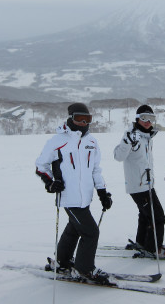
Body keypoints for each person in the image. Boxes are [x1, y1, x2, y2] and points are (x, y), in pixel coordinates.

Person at [35, 102, 113, 283]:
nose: (84, 122)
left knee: (74, 229)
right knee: (90, 232)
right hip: (68, 197)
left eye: (87, 119)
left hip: (85, 197)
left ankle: (62, 262)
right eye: (79, 118)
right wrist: (50, 183)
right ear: (70, 118)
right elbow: (41, 165)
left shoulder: (92, 142)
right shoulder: (57, 141)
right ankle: (85, 269)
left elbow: (95, 170)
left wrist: (103, 193)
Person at [113, 104, 165, 258]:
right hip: (138, 186)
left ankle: (142, 242)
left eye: (151, 118)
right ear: (137, 119)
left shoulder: (147, 136)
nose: (147, 121)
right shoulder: (131, 135)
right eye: (144, 118)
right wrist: (127, 143)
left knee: (145, 215)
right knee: (157, 217)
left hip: (147, 183)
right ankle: (153, 249)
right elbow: (118, 156)